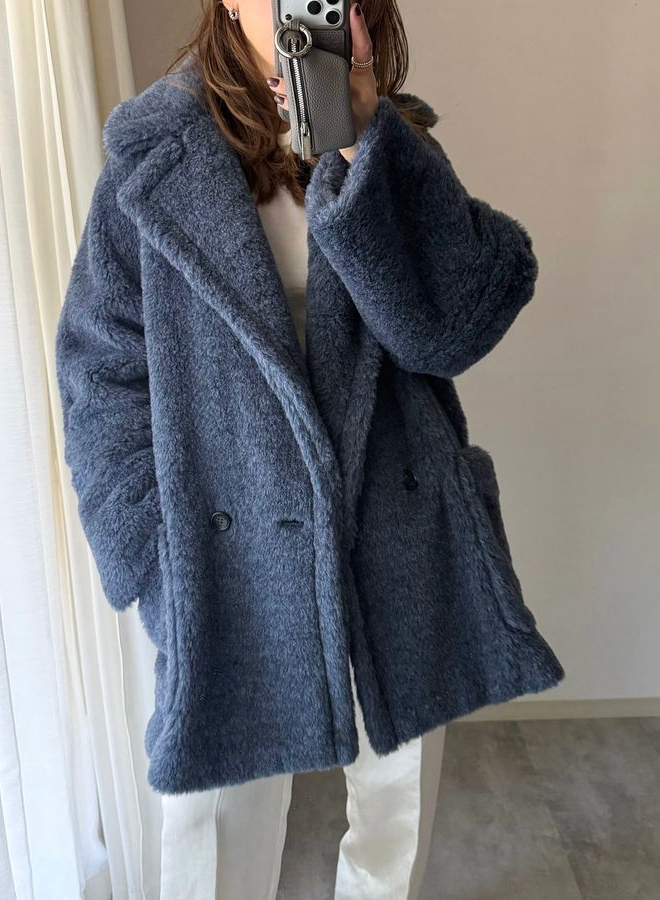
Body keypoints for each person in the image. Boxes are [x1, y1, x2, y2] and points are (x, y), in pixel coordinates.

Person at [55, 0, 565, 897]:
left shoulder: (392, 142)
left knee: (395, 809)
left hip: (392, 525)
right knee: (216, 823)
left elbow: (450, 329)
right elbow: (100, 369)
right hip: (230, 543)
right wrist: (151, 552)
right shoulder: (154, 156)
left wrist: (366, 145)